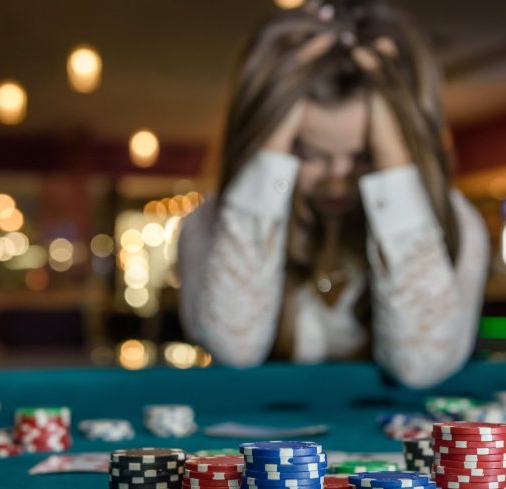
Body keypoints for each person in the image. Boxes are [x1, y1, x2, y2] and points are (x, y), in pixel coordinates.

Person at [177, 0, 489, 388]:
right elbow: (234, 349)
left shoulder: (459, 221)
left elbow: (422, 366)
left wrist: (394, 161)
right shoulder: (209, 222)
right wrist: (272, 129)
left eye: (364, 155)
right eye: (307, 153)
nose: (336, 179)